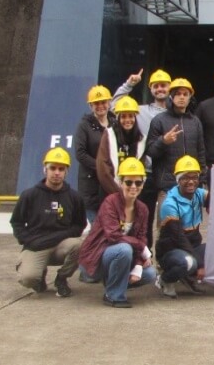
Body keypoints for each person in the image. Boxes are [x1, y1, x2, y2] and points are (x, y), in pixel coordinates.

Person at [77, 157, 157, 308]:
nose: (133, 186)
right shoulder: (110, 203)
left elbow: (141, 239)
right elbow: (113, 236)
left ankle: (113, 283)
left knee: (150, 274)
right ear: (120, 183)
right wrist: (142, 247)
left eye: (138, 182)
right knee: (124, 249)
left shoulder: (143, 209)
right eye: (128, 182)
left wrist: (139, 265)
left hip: (122, 258)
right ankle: (113, 296)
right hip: (97, 258)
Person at [10, 147, 86, 298]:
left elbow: (79, 225)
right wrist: (29, 241)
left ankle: (61, 279)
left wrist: (56, 238)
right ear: (45, 169)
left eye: (61, 169)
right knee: (28, 279)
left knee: (81, 245)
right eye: (52, 168)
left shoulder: (74, 197)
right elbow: (17, 223)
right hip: (36, 246)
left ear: (66, 172)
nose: (56, 172)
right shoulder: (29, 195)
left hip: (60, 247)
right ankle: (39, 276)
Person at [143, 78, 206, 249]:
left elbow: (201, 153)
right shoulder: (159, 120)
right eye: (177, 94)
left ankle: (189, 267)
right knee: (166, 230)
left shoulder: (195, 122)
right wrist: (164, 141)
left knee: (191, 229)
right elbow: (150, 151)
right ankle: (163, 270)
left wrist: (202, 179)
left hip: (191, 187)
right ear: (171, 97)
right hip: (168, 185)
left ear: (190, 97)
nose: (181, 97)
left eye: (185, 94)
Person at [154, 156, 208, 298]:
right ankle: (165, 280)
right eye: (185, 178)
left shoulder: (198, 194)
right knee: (189, 263)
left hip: (191, 246)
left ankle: (189, 276)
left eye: (194, 177)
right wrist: (200, 264)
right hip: (171, 251)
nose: (191, 182)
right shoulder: (169, 204)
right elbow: (179, 237)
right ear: (178, 179)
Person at [74, 85, 117, 223]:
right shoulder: (84, 125)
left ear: (109, 103)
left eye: (103, 102)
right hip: (91, 186)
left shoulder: (115, 124)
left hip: (111, 183)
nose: (100, 106)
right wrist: (101, 167)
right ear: (90, 106)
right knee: (97, 228)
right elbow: (80, 153)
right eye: (96, 103)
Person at [113, 68, 168, 158]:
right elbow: (114, 106)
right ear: (150, 89)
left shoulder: (176, 115)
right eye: (156, 86)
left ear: (170, 87)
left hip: (168, 170)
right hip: (143, 168)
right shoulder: (140, 111)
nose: (159, 89)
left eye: (163, 85)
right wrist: (128, 85)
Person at [96, 96, 142, 196]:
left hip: (133, 194)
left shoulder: (141, 139)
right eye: (123, 116)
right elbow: (103, 169)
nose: (127, 120)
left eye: (131, 116)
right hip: (110, 193)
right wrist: (119, 194)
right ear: (118, 118)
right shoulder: (109, 135)